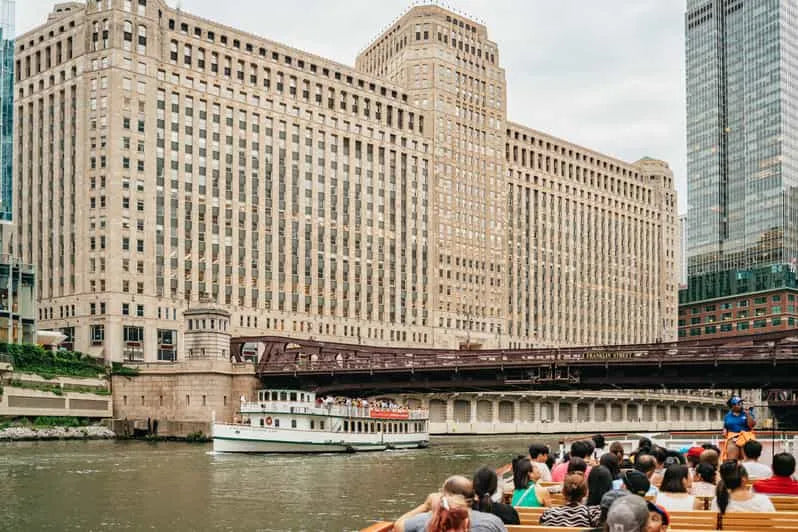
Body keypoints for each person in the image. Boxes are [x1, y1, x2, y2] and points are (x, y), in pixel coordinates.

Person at [394, 475, 506, 532]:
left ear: (445, 496)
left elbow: (398, 526)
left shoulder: (427, 520)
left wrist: (425, 506)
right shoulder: (492, 521)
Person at [722, 396, 756, 461]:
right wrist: (724, 431)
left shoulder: (747, 413)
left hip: (745, 438)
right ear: (733, 406)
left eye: (741, 403)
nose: (741, 405)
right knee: (731, 459)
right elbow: (726, 426)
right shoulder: (728, 415)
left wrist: (748, 414)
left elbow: (752, 425)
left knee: (746, 459)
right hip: (733, 438)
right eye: (739, 403)